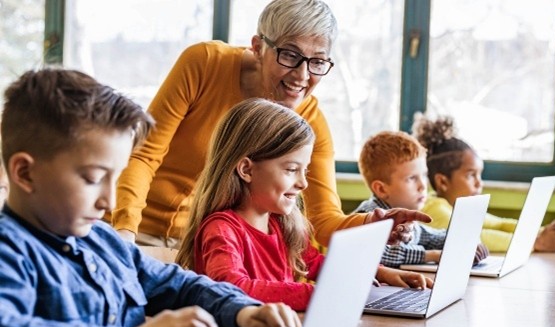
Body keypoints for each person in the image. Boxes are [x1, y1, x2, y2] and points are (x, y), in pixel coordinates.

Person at [0, 68, 301, 327]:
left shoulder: (103, 240)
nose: (110, 203)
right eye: (93, 179)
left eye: (115, 179)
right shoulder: (9, 251)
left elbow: (182, 286)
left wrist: (243, 312)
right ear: (24, 173)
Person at [109, 0, 429, 250]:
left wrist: (373, 224)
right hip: (138, 231)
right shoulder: (204, 64)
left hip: (207, 246)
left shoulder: (311, 122)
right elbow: (143, 155)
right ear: (259, 47)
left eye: (317, 61)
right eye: (290, 55)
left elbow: (324, 220)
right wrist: (124, 232)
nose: (302, 76)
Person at [176, 98, 429, 311]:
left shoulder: (280, 223)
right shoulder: (221, 230)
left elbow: (316, 263)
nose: (303, 183)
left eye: (304, 170)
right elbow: (231, 287)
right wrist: (317, 295)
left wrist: (380, 273)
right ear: (246, 169)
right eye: (291, 169)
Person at [412, 115, 555, 253]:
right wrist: (537, 242)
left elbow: (499, 224)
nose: (479, 183)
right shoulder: (434, 209)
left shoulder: (458, 207)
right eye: (471, 175)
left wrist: (544, 231)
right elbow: (471, 238)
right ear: (443, 181)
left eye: (479, 175)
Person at [354, 130, 489, 268]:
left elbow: (433, 237)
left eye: (424, 175)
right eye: (412, 178)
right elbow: (380, 253)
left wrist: (468, 242)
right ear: (382, 189)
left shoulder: (408, 220)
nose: (422, 186)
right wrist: (434, 255)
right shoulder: (367, 215)